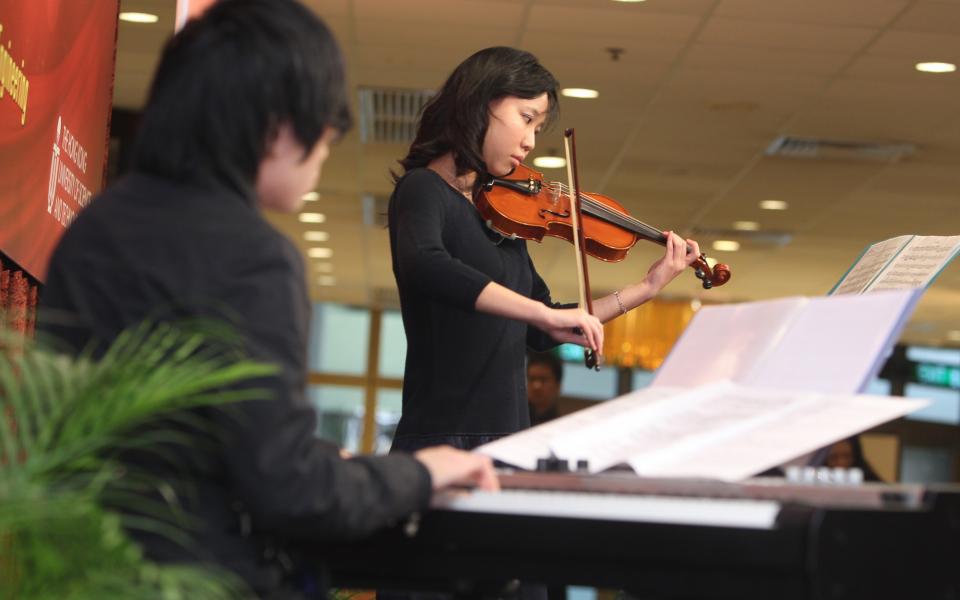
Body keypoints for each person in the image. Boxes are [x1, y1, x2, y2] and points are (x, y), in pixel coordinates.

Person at [37, 1, 497, 597]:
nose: (324, 151)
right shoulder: (254, 258)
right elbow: (292, 494)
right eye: (326, 134)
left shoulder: (97, 226)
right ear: (279, 126)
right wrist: (420, 471)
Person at [388, 46, 701, 454]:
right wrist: (542, 312)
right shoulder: (423, 189)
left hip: (507, 441)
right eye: (527, 119)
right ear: (482, 103)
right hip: (442, 437)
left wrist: (647, 287)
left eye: (537, 127)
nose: (531, 141)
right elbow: (425, 264)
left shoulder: (498, 216)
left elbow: (544, 329)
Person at [527, 351, 564, 426]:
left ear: (558, 385)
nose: (536, 386)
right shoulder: (515, 425)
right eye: (532, 379)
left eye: (543, 379)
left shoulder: (564, 428)